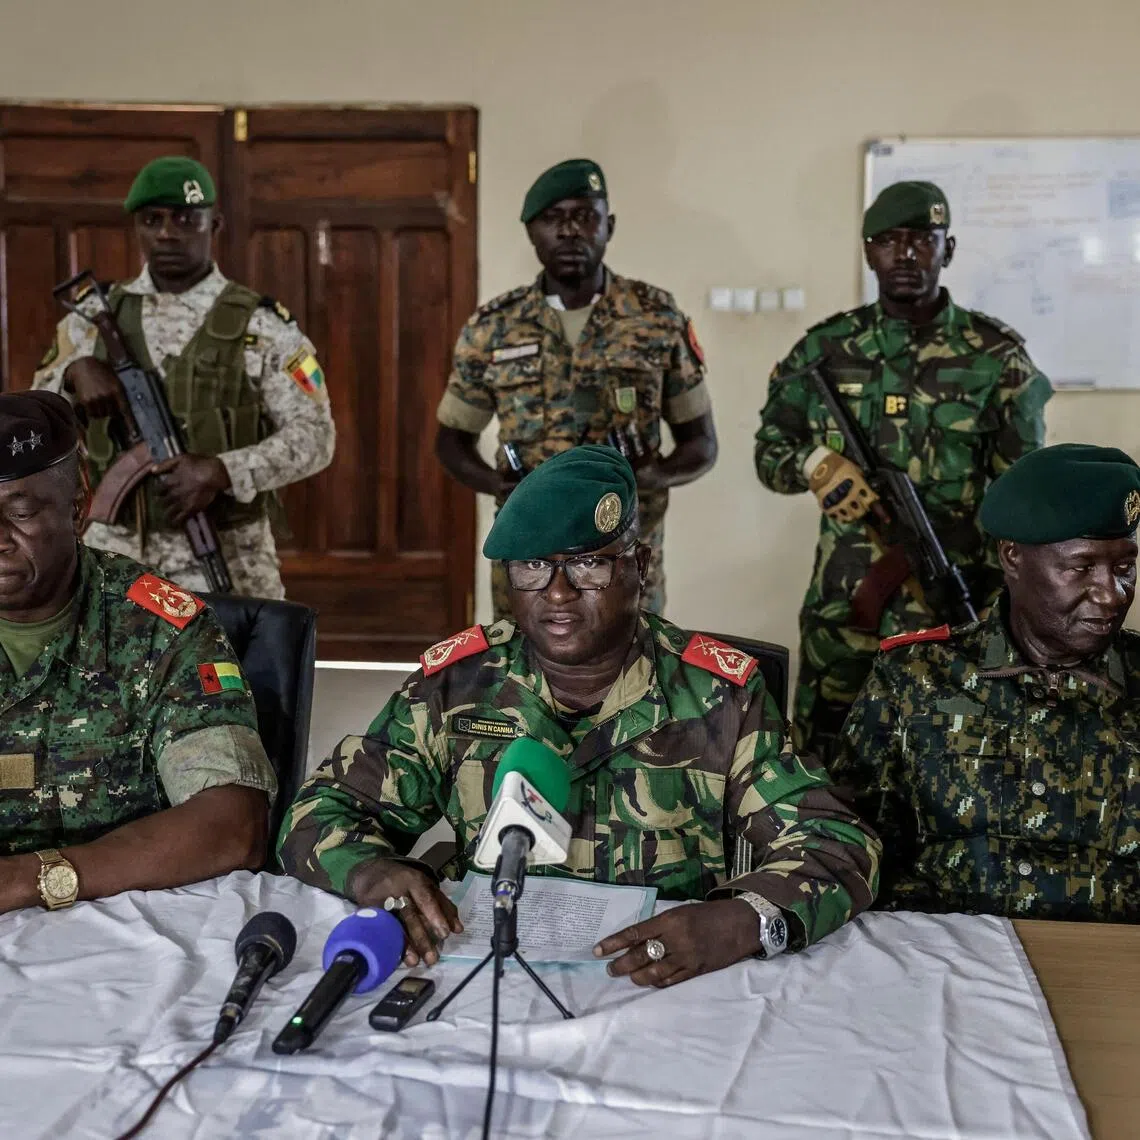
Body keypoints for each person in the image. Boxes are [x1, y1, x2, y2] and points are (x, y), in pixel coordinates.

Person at [279, 445, 879, 988]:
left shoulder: (719, 695)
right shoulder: (457, 685)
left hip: (664, 984)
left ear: (639, 566)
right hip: (488, 978)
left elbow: (838, 844)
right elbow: (316, 811)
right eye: (532, 567)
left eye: (588, 564)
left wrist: (737, 922)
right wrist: (370, 873)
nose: (559, 592)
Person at [754, 180, 1051, 762]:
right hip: (845, 612)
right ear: (869, 253)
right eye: (889, 241)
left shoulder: (996, 359)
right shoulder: (825, 350)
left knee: (957, 766)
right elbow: (770, 450)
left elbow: (1026, 498)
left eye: (923, 239)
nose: (907, 254)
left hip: (957, 609)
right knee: (826, 768)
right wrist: (815, 462)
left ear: (949, 248)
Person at [833, 443, 1140, 921]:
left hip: (1110, 963)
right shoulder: (915, 677)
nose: (1111, 594)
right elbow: (850, 845)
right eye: (1081, 568)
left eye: (1124, 568)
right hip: (944, 959)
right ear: (1013, 556)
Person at [0, 390, 276, 913]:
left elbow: (233, 824)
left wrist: (29, 880)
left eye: (20, 512)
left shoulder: (160, 629)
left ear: (78, 505)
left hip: (134, 932)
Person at [32, 155, 335, 599]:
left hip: (228, 557)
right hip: (113, 560)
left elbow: (317, 437)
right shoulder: (92, 319)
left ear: (215, 226)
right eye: (152, 219)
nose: (168, 232)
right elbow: (36, 424)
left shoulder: (262, 326)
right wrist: (75, 374)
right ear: (136, 227)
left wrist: (222, 471)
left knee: (232, 668)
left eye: (185, 219)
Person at [434, 158, 717, 620]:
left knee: (638, 679)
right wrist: (497, 483)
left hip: (624, 555)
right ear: (530, 231)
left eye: (585, 216)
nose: (569, 232)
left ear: (609, 225)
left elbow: (701, 443)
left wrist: (651, 475)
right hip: (530, 554)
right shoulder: (493, 327)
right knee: (523, 683)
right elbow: (451, 441)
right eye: (553, 218)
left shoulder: (656, 318)